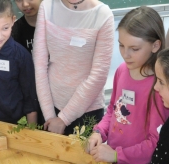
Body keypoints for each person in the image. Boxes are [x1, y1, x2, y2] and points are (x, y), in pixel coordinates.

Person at [86, 6, 169, 164]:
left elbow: (155, 144)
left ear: (155, 46)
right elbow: (112, 111)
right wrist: (99, 132)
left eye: (134, 48)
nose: (126, 54)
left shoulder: (159, 88)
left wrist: (116, 155)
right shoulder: (122, 71)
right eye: (121, 45)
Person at [33, 0, 114, 136]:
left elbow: (98, 76)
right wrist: (50, 117)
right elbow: (40, 64)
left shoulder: (103, 15)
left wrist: (63, 119)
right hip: (50, 108)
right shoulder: (47, 7)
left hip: (87, 112)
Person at [11, 0, 44, 125]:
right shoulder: (14, 31)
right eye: (19, 0)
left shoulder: (56, 25)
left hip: (56, 100)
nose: (25, 5)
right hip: (28, 101)